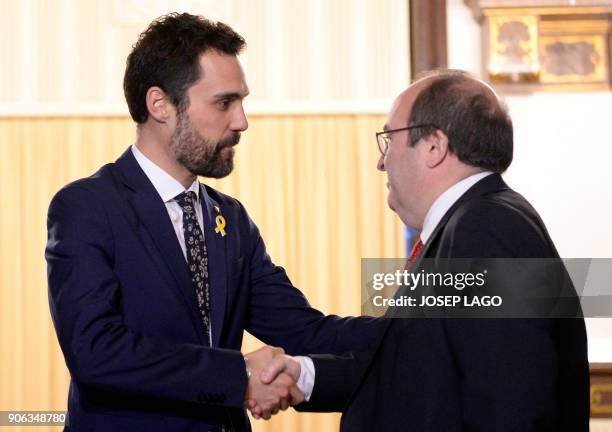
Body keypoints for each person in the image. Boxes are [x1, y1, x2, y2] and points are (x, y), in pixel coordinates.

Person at [45, 12, 381, 431]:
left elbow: (306, 331)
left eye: (241, 101)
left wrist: (423, 332)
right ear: (160, 105)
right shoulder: (87, 207)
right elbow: (96, 352)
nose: (241, 121)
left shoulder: (231, 219)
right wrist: (237, 376)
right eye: (224, 102)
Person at [253, 69, 590, 430]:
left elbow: (512, 401)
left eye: (389, 140)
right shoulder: (476, 221)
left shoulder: (486, 228)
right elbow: (417, 369)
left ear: (434, 146)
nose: (381, 161)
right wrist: (305, 375)